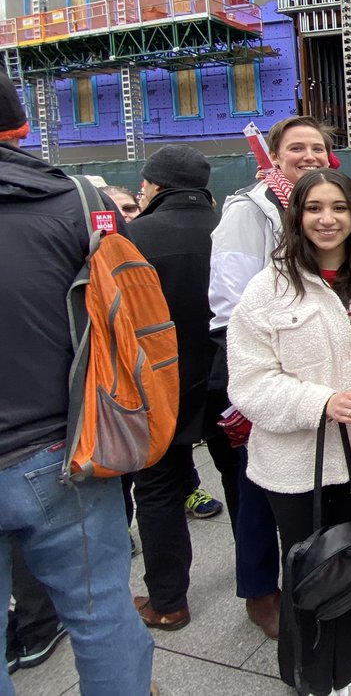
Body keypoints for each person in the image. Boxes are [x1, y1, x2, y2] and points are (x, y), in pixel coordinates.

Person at [228, 169, 351, 696]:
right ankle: (310, 669)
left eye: (339, 207)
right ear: (298, 216)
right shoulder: (268, 287)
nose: (327, 218)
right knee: (311, 565)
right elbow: (249, 382)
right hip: (299, 464)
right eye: (315, 207)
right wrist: (322, 402)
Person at [0, 72, 156, 694]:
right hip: (61, 448)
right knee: (102, 619)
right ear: (19, 126)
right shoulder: (77, 200)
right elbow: (131, 318)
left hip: (57, 450)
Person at [209, 114, 333, 638]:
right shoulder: (248, 212)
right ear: (275, 157)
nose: (309, 156)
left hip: (328, 370)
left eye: (319, 148)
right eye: (297, 148)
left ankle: (322, 571)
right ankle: (260, 592)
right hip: (270, 369)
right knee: (259, 486)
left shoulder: (328, 205)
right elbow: (229, 302)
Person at [126, 145, 228, 632]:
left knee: (159, 490)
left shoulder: (131, 237)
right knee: (245, 484)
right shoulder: (230, 232)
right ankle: (264, 590)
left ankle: (169, 602)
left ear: (155, 186)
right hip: (228, 380)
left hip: (157, 386)